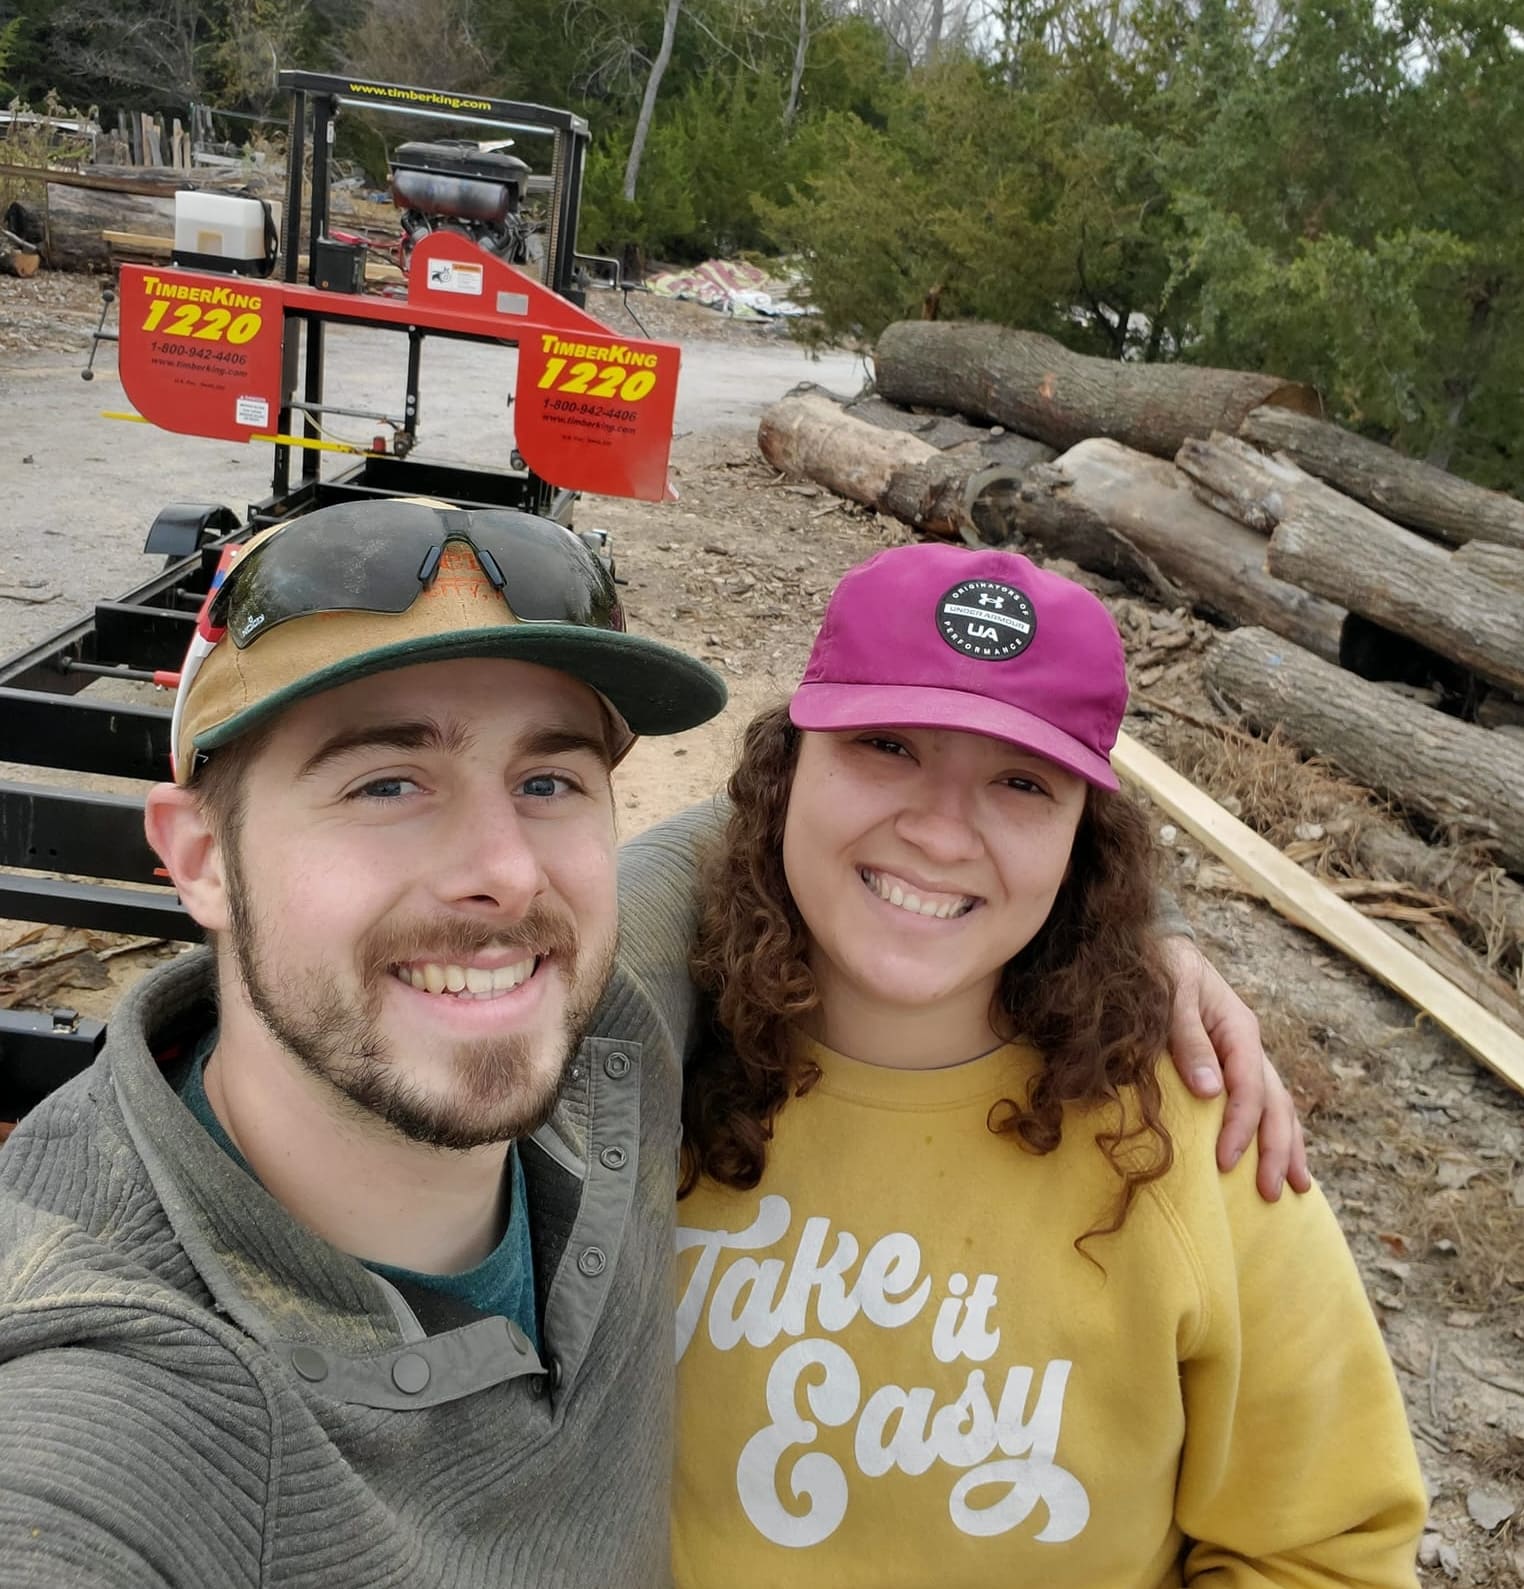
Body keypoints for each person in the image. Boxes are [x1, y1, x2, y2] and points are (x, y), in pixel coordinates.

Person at [0, 500, 1302, 1588]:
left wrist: (1140, 925)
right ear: (197, 859)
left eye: (551, 779)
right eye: (385, 782)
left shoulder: (611, 1028)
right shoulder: (113, 1397)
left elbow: (887, 835)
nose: (503, 874)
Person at [671, 544, 1427, 1587]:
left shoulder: (1192, 1134)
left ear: (1085, 845)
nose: (939, 830)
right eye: (886, 743)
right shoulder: (645, 1067)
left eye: (1021, 782)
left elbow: (1325, 1547)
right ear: (783, 769)